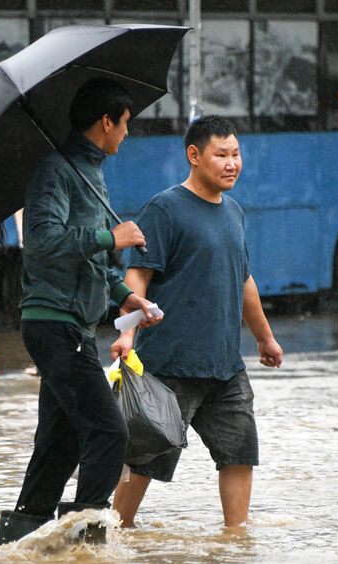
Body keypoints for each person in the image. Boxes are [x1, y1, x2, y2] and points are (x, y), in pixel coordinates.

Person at [0, 78, 162, 544]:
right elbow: (44, 243)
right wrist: (113, 238)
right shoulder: (55, 170)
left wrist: (126, 297)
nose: (127, 133)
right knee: (110, 433)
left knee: (60, 440)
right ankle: (86, 542)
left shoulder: (90, 171)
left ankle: (22, 538)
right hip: (53, 323)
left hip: (73, 322)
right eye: (125, 124)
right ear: (106, 122)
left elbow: (87, 260)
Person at [111, 115, 283, 529]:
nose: (232, 164)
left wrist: (265, 338)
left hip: (226, 367)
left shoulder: (235, 213)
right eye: (221, 154)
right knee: (145, 460)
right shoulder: (165, 209)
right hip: (171, 366)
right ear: (194, 155)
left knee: (240, 454)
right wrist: (128, 333)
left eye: (236, 154)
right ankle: (114, 533)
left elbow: (243, 281)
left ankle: (236, 541)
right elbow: (138, 277)